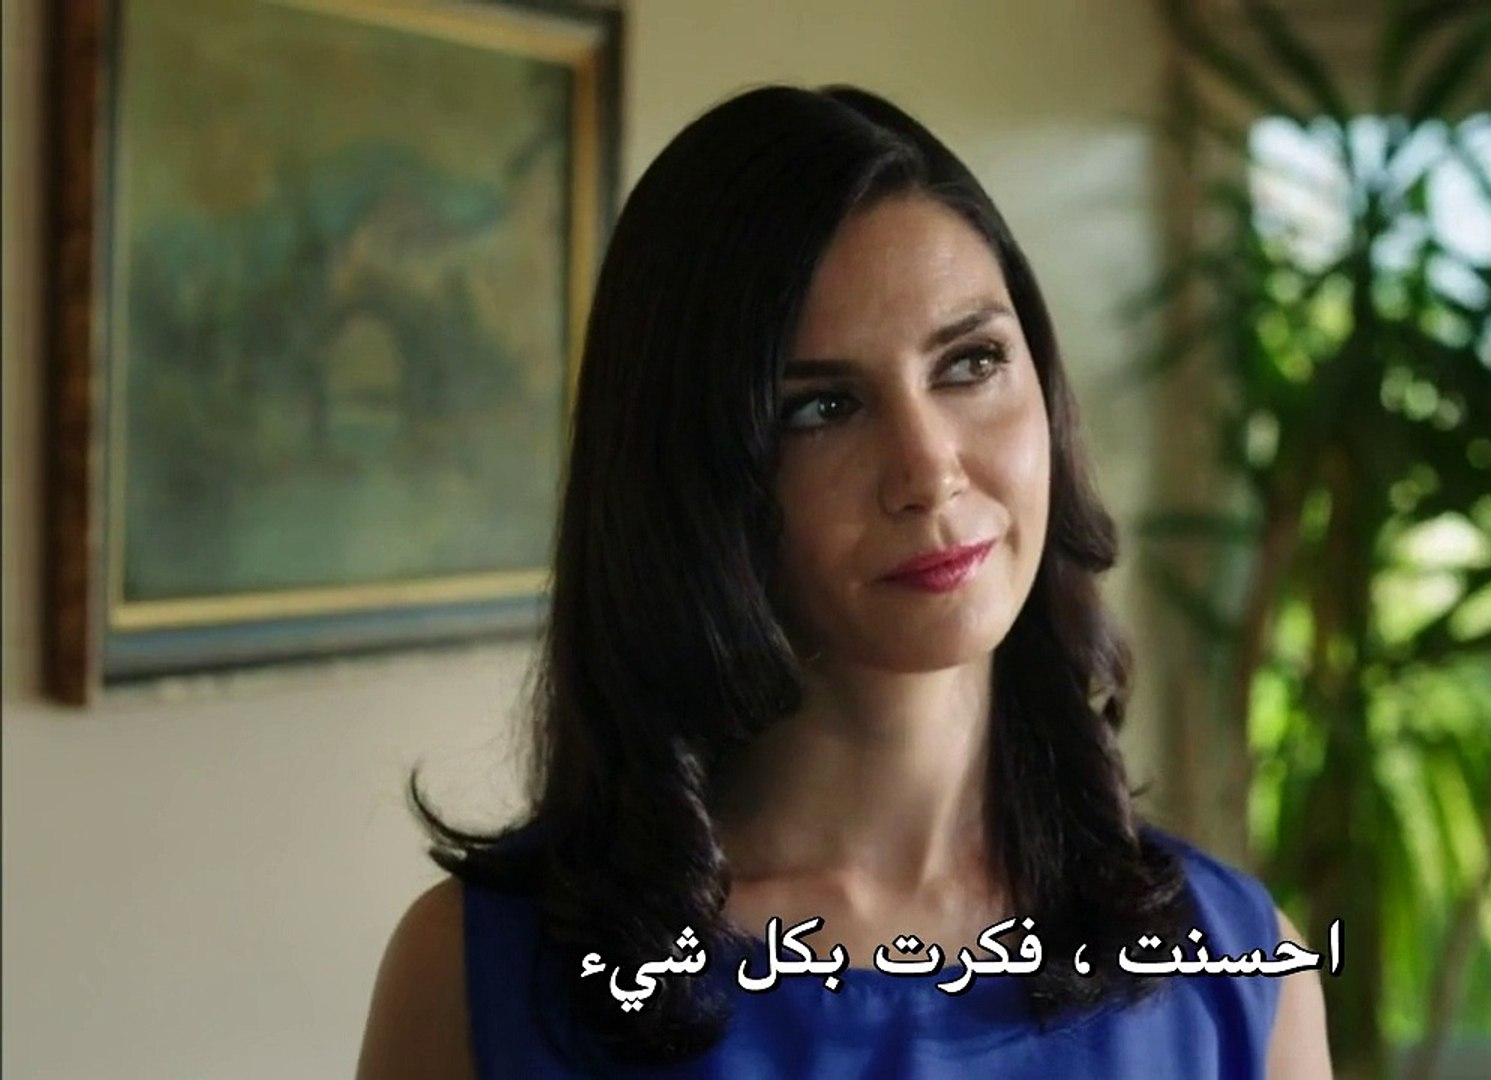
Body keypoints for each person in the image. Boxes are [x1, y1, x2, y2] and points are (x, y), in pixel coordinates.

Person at [354, 83, 1332, 1079]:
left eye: (970, 363)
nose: (929, 471)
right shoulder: (482, 978)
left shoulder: (1240, 975)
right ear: (691, 477)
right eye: (822, 408)